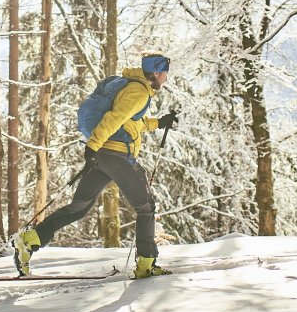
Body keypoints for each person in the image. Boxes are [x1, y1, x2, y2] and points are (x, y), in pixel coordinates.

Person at [13, 52, 179, 279]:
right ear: (157, 73)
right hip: (116, 156)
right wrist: (92, 145)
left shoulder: (132, 86)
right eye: (165, 74)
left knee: (78, 207)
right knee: (146, 207)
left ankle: (30, 240)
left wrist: (159, 122)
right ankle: (146, 265)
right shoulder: (138, 92)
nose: (166, 79)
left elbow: (130, 123)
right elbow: (113, 119)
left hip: (103, 156)